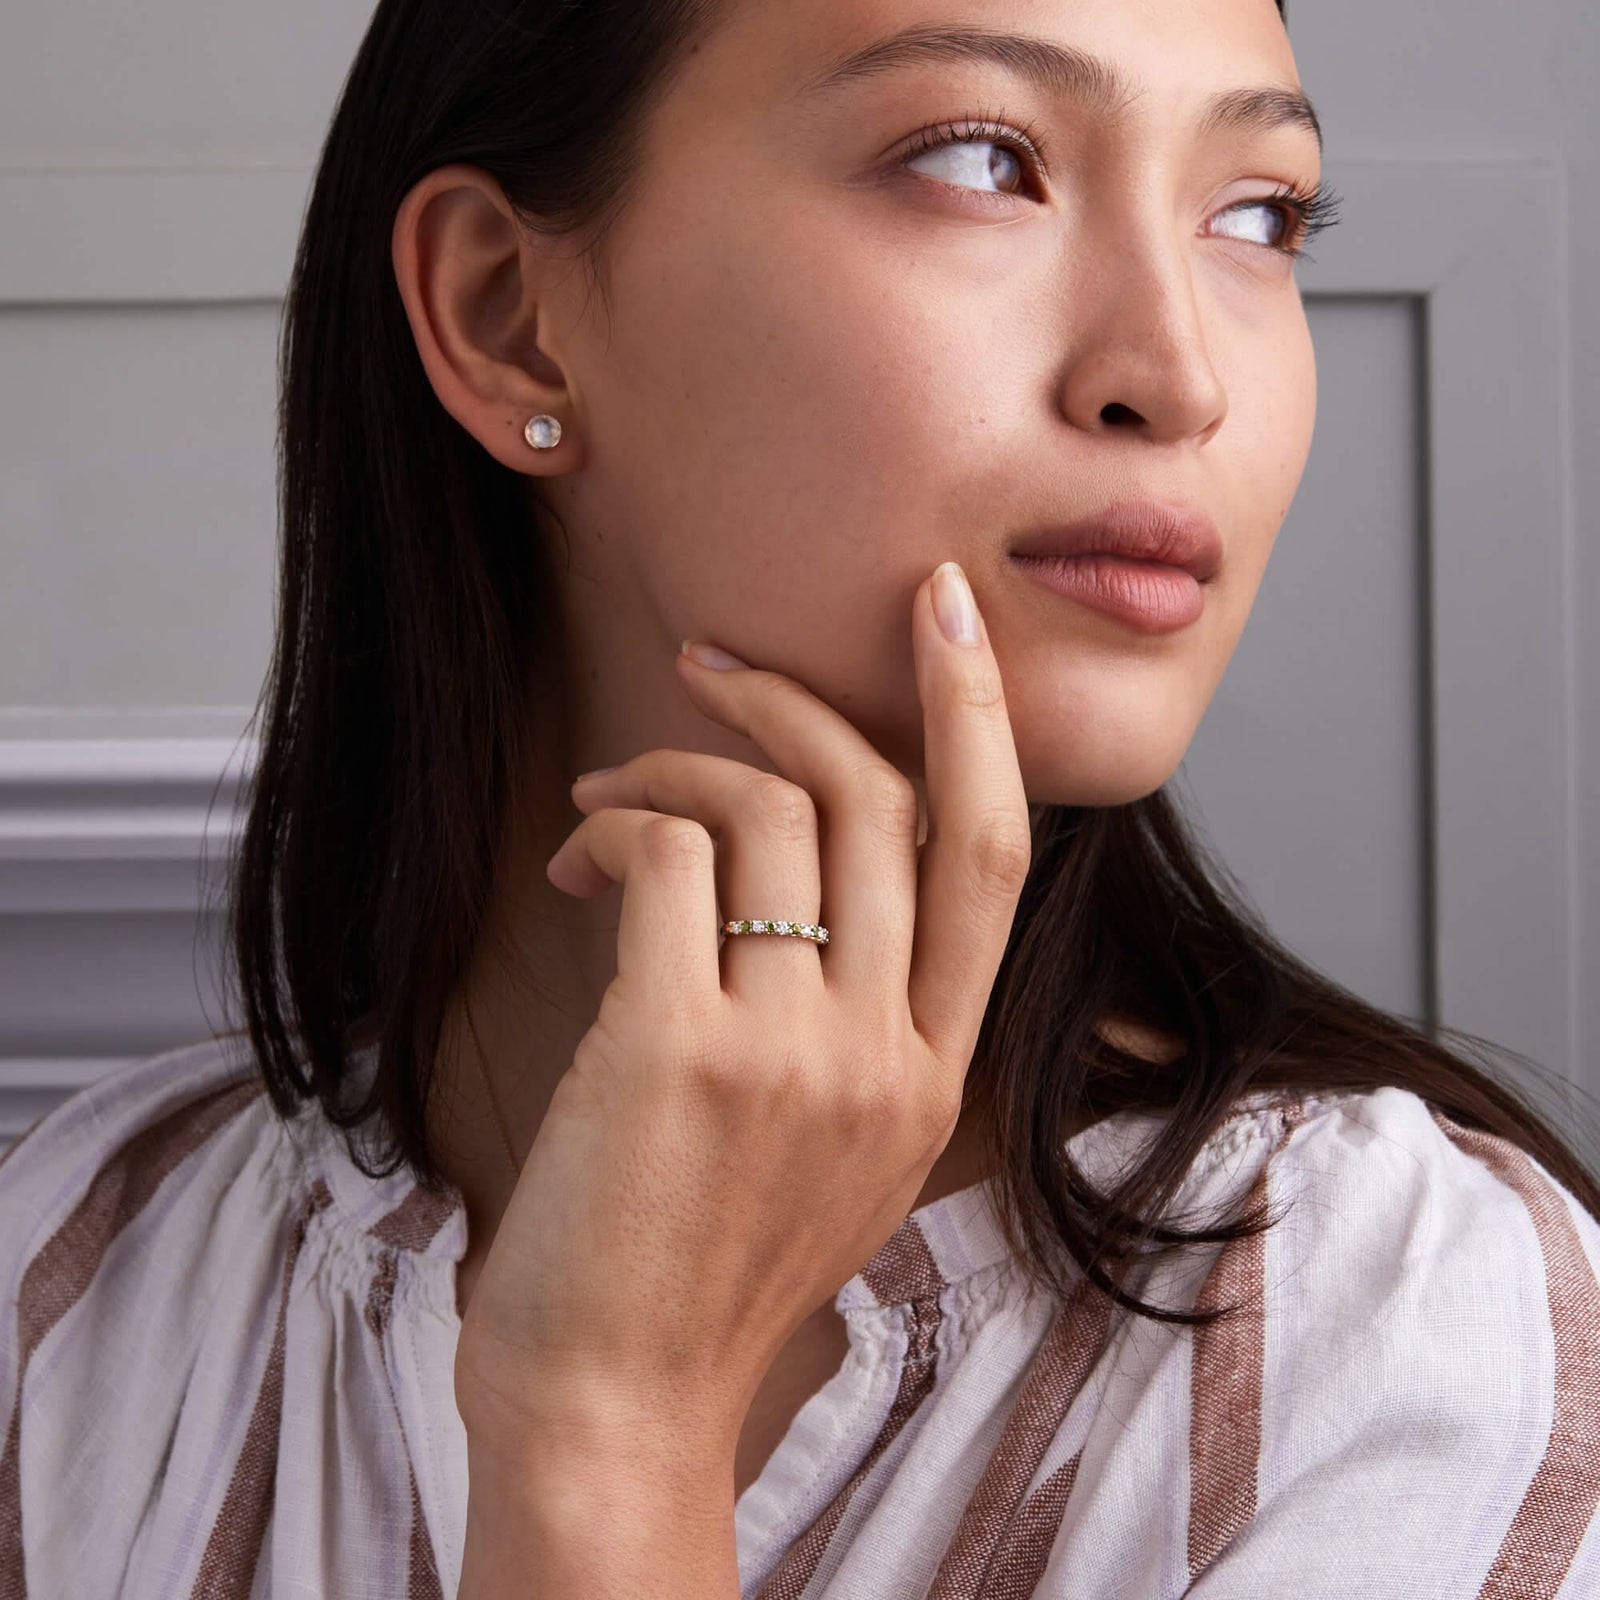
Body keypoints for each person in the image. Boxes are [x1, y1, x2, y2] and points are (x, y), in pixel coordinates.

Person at [3, 0, 1598, 1595]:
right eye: (984, 161)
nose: (1177, 378)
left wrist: (613, 1431)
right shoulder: (77, 1281)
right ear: (508, 316)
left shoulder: (1419, 1342)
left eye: (1259, 215)